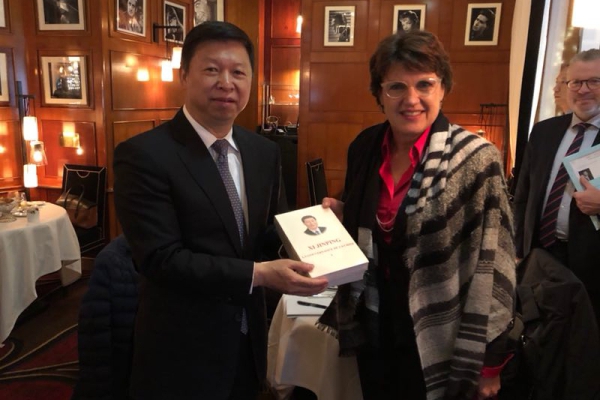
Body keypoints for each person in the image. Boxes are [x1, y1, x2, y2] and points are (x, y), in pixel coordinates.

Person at [113, 21, 328, 400]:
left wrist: (318, 234)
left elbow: (268, 234)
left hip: (248, 337)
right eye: (212, 69)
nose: (226, 83)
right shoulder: (144, 155)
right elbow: (161, 259)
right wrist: (259, 274)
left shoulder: (263, 151)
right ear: (184, 75)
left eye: (238, 72)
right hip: (181, 348)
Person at [317, 30, 516, 400]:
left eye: (424, 84)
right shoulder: (364, 147)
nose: (411, 99)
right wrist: (346, 215)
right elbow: (375, 224)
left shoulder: (476, 159)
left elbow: (496, 261)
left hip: (443, 326)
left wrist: (491, 360)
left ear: (443, 88)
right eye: (396, 87)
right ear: (380, 94)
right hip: (375, 319)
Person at [514, 48, 600, 328]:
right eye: (575, 82)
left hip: (592, 268)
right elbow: (523, 195)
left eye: (594, 81)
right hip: (540, 259)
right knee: (539, 337)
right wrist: (518, 248)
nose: (583, 90)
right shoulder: (544, 131)